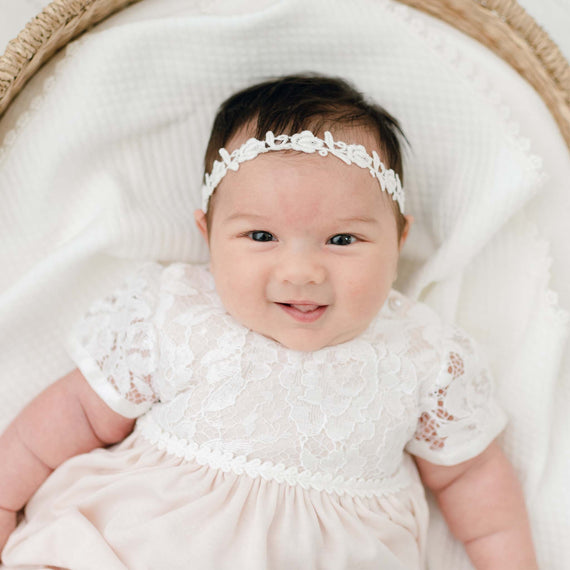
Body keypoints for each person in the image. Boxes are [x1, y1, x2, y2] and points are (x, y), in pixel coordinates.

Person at [0, 74, 538, 570]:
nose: (301, 272)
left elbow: (472, 477)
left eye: (342, 240)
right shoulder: (176, 312)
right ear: (207, 235)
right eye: (261, 237)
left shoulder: (422, 352)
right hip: (136, 543)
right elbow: (75, 413)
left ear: (398, 241)